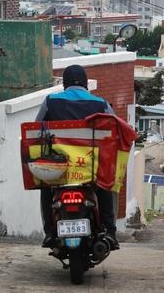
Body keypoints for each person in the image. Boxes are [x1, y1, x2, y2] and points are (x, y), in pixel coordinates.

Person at [35, 64, 119, 249]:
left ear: (64, 84)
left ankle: (50, 232)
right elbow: (115, 129)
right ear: (85, 84)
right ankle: (110, 231)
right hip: (89, 168)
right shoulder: (101, 103)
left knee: (46, 187)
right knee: (104, 185)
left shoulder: (50, 101)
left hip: (60, 169)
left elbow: (36, 128)